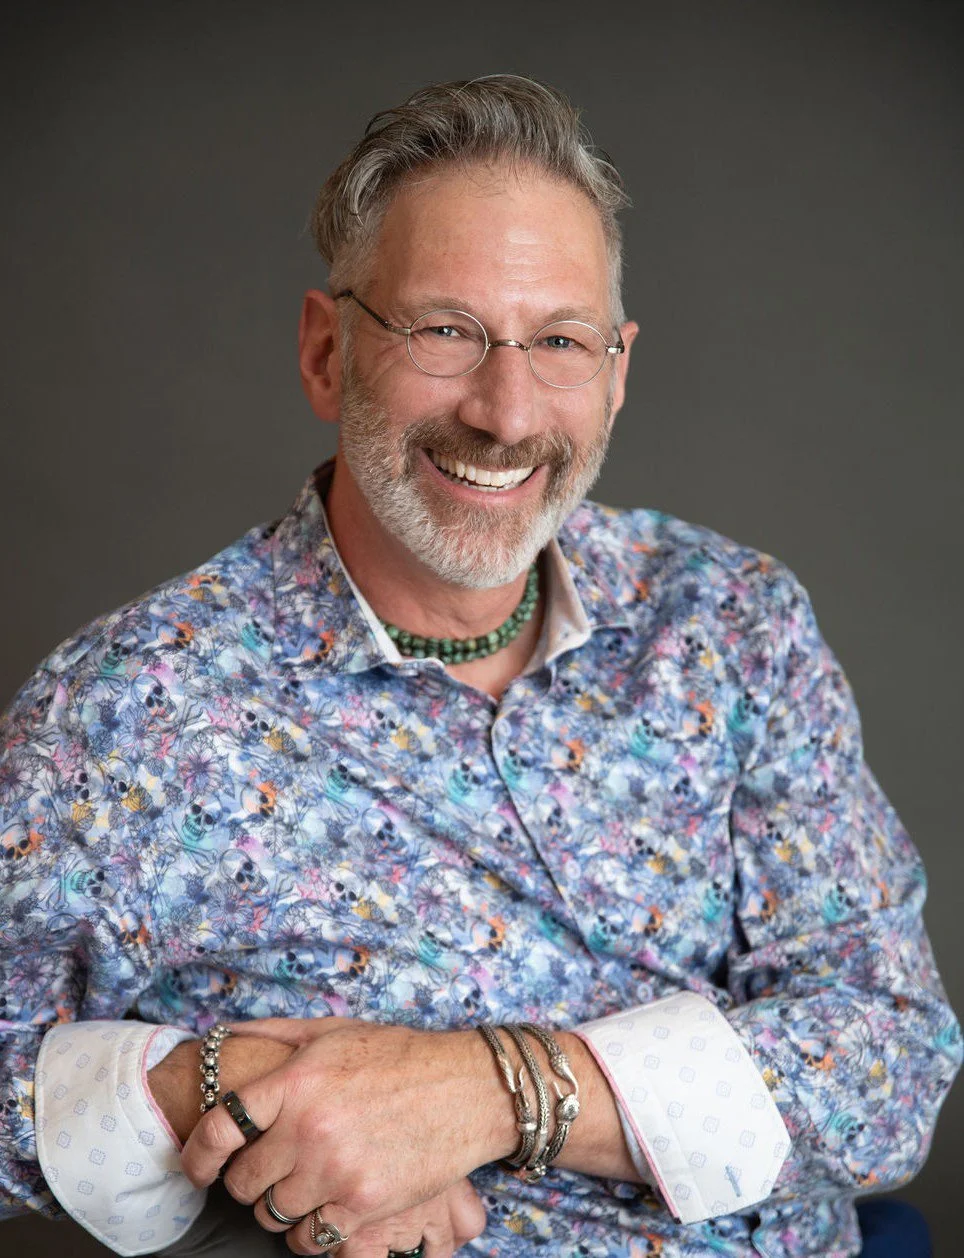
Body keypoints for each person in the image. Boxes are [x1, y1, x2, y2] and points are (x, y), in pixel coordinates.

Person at [0, 75, 959, 1258]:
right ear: (323, 350)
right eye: (445, 330)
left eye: (558, 341)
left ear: (615, 370)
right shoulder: (131, 710)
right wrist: (221, 1089)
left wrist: (485, 1092)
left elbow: (892, 1059)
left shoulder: (733, 623)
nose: (507, 413)